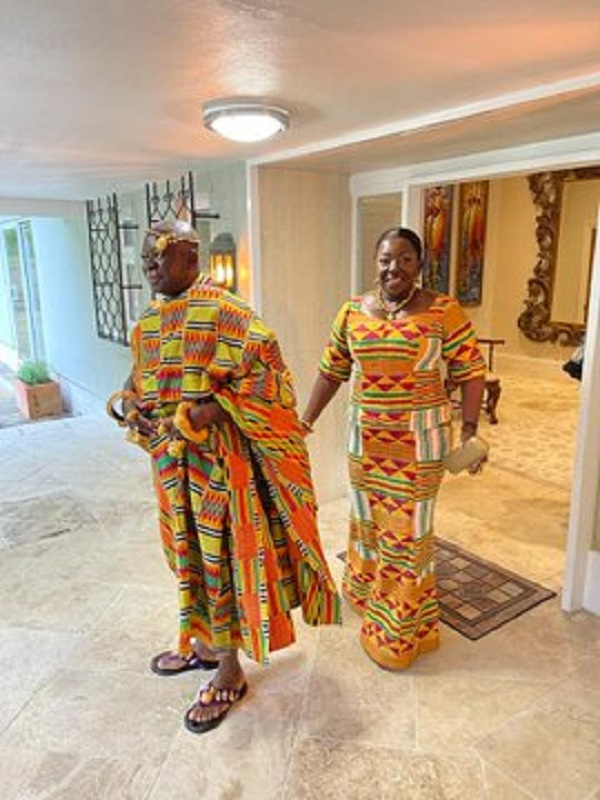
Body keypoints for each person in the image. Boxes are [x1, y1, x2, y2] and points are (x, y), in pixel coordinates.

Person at [108, 219, 340, 733]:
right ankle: (206, 644)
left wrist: (204, 413)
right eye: (145, 255)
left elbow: (268, 378)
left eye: (160, 253)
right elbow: (141, 375)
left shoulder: (228, 313)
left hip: (220, 472)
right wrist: (130, 404)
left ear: (191, 257)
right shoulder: (149, 319)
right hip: (171, 469)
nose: (150, 263)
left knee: (221, 566)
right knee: (185, 555)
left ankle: (230, 670)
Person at [301, 226, 486, 670]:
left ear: (420, 264)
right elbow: (332, 371)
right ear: (375, 261)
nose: (394, 268)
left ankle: (400, 629)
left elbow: (471, 370)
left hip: (421, 446)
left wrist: (469, 430)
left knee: (408, 532)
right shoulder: (351, 312)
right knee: (367, 523)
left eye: (405, 259)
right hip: (365, 443)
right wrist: (305, 419)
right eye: (386, 259)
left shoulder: (444, 311)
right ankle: (366, 594)